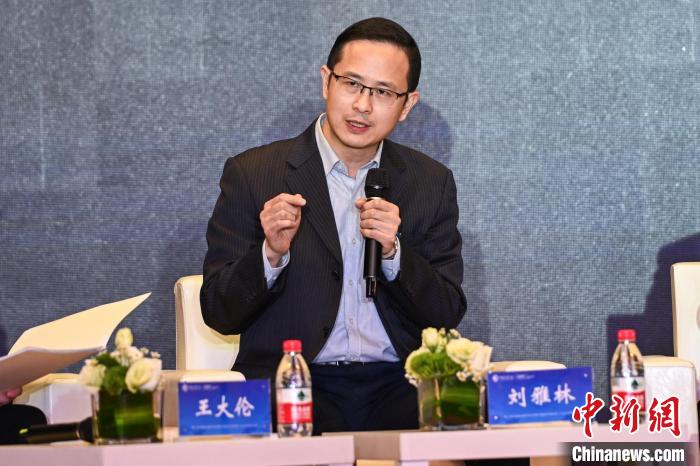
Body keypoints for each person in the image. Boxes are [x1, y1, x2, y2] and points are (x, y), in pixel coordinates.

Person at [201, 17, 466, 434]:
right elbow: (219, 312)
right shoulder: (254, 174)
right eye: (352, 84)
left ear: (407, 105)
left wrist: (395, 254)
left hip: (400, 384)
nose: (363, 105)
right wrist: (270, 254)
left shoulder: (430, 182)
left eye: (383, 92)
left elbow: (446, 312)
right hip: (293, 383)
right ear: (327, 81)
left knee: (497, 437)